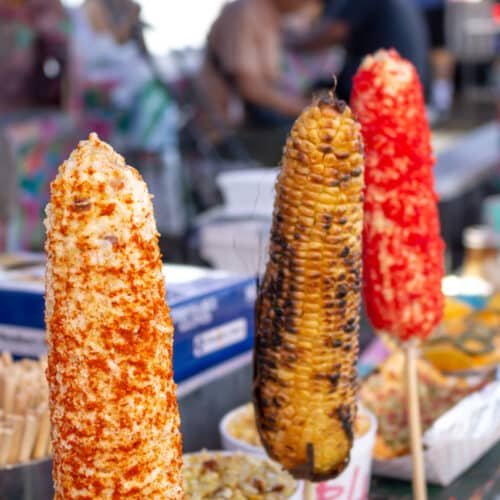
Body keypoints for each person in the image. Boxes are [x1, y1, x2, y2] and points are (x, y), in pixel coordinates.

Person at [198, 0, 311, 129]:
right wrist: (304, 108)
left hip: (252, 114)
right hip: (229, 123)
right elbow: (249, 87)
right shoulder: (246, 11)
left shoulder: (273, 16)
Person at [287, 0, 429, 101]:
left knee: (321, 91)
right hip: (412, 86)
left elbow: (331, 34)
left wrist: (291, 41)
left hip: (383, 89)